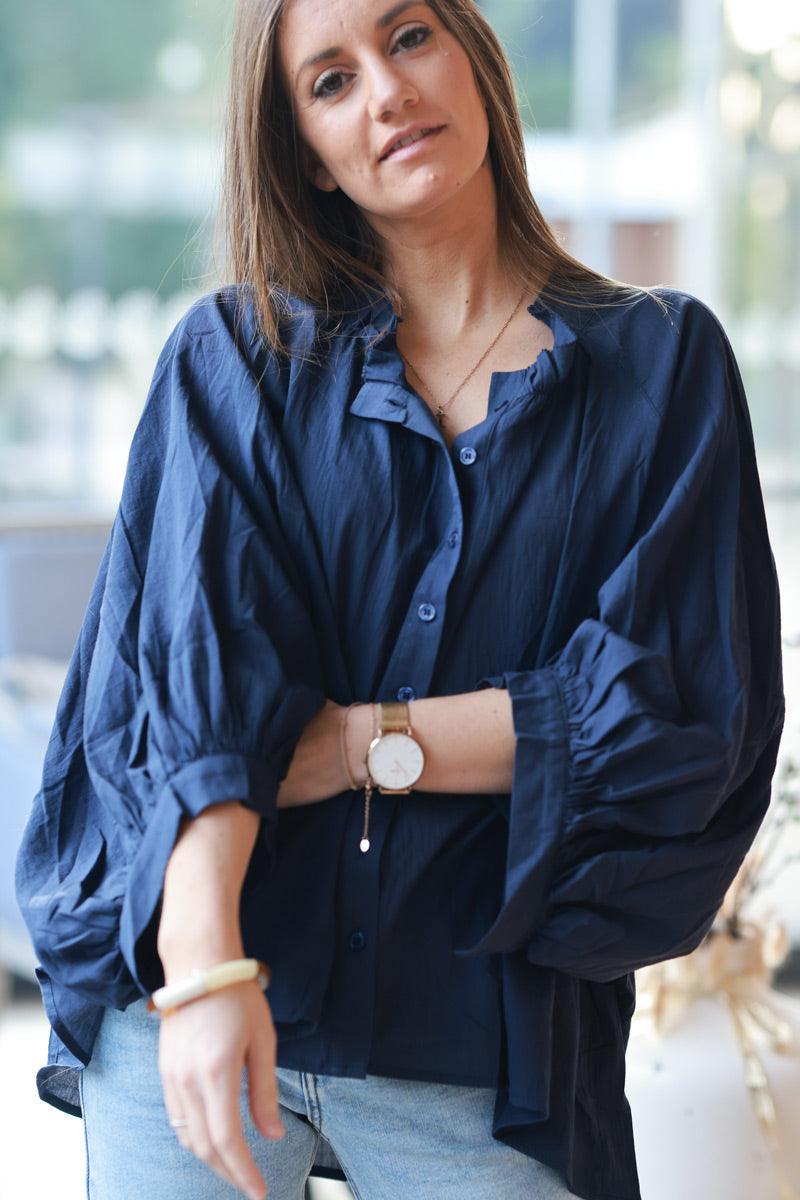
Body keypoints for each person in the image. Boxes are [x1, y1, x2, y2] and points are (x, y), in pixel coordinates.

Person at [16, 1, 784, 1198]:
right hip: (209, 1010)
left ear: (471, 53)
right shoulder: (233, 359)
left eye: (407, 36)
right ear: (302, 153)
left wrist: (345, 744)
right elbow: (195, 702)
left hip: (483, 1058)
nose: (383, 91)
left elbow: (672, 721)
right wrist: (208, 972)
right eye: (329, 82)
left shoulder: (661, 367)